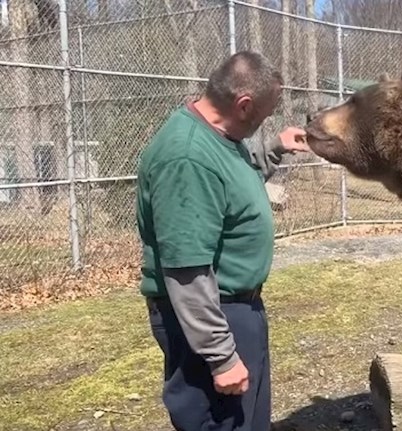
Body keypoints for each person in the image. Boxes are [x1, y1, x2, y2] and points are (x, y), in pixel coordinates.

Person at [135, 51, 309, 431]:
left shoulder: (220, 138)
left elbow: (233, 185)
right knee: (218, 423)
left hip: (235, 309)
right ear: (243, 105)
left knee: (247, 423)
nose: (265, 120)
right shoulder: (187, 157)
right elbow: (186, 271)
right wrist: (221, 356)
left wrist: (275, 148)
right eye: (264, 114)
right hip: (209, 315)